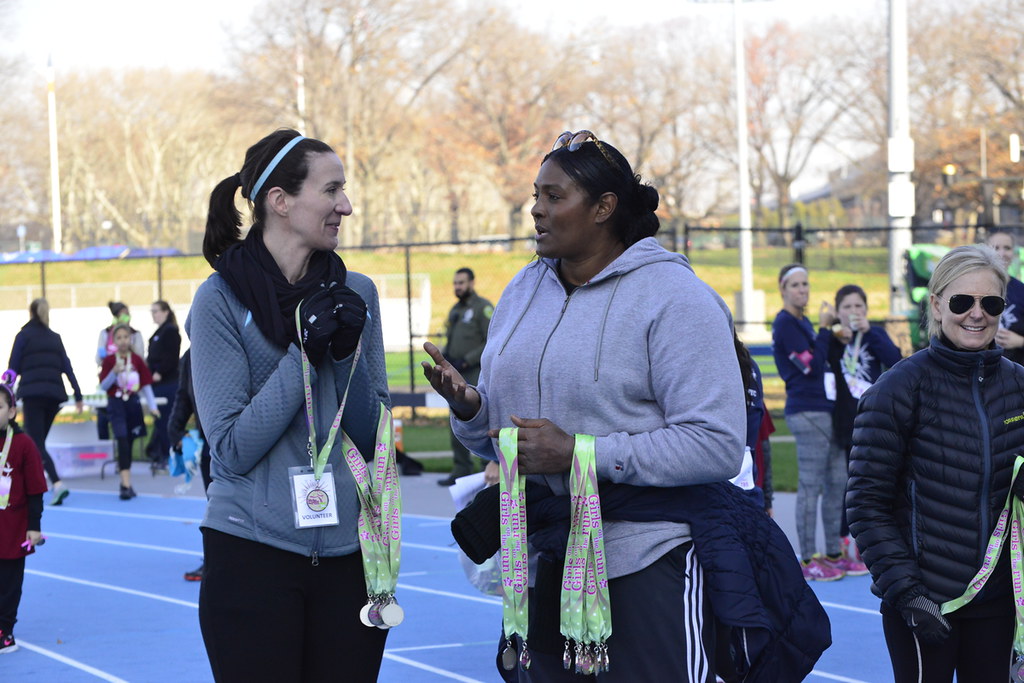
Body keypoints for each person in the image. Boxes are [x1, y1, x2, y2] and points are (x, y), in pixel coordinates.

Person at [423, 130, 747, 681]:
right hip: (545, 555)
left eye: (555, 197)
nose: (536, 211)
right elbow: (504, 435)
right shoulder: (524, 290)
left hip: (647, 555)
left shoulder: (675, 297)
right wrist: (474, 409)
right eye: (535, 196)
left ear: (603, 208)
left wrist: (580, 453)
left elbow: (716, 444)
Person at [187, 128, 391, 682]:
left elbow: (376, 442)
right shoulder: (219, 300)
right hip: (252, 550)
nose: (344, 206)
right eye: (331, 191)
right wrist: (304, 352)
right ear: (280, 201)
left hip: (352, 555)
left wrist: (345, 355)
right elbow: (230, 448)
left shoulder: (359, 293)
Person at [847, 245, 1024, 682]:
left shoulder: (1020, 385)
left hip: (999, 602)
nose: (976, 314)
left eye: (991, 303)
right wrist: (907, 593)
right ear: (937, 304)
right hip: (925, 604)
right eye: (962, 301)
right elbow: (866, 504)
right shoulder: (898, 389)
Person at [771, 264, 846, 581]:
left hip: (824, 409)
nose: (803, 290)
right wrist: (827, 331)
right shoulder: (786, 323)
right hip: (806, 411)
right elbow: (811, 369)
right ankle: (805, 558)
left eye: (806, 284)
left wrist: (832, 335)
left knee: (837, 479)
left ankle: (831, 553)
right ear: (783, 289)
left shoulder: (804, 324)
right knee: (811, 485)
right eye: (796, 285)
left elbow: (823, 360)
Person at [820, 284, 900, 572]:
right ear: (838, 312)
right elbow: (819, 364)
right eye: (848, 308)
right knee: (848, 483)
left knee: (875, 480)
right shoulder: (835, 341)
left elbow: (895, 360)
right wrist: (833, 333)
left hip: (873, 419)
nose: (854, 312)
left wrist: (871, 332)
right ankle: (844, 541)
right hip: (844, 421)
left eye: (859, 307)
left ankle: (871, 540)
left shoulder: (875, 335)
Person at [6, 298, 84, 506]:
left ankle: (57, 483)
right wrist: (77, 394)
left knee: (35, 443)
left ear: (30, 312)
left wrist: (6, 394)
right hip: (55, 395)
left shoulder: (23, 336)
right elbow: (67, 366)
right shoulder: (54, 338)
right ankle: (33, 482)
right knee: (37, 443)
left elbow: (13, 367)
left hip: (33, 394)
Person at [0, 380, 48, 655]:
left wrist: (35, 527)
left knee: (8, 584)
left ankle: (5, 632)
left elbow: (36, 489)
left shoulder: (23, 444)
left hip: (14, 528)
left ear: (11, 411)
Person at [437, 267, 493, 487]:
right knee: (457, 420)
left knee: (479, 420)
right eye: (455, 283)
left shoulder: (483, 308)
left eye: (461, 282)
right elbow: (450, 338)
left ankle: (485, 471)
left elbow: (491, 339)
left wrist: (467, 359)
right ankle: (461, 469)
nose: (457, 287)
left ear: (472, 282)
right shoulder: (455, 310)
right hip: (456, 373)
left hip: (476, 372)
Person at [99, 323, 160, 500]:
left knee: (130, 441)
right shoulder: (110, 361)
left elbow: (146, 386)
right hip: (116, 403)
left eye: (126, 337)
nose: (123, 341)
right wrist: (113, 373)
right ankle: (125, 485)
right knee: (122, 439)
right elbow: (104, 385)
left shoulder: (137, 360)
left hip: (132, 404)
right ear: (114, 341)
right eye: (119, 338)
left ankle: (126, 482)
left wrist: (153, 407)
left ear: (130, 339)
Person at [167, 349, 210, 581]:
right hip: (210, 443)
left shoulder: (232, 343)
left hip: (240, 438)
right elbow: (184, 395)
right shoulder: (190, 355)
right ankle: (214, 560)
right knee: (215, 506)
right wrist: (174, 430)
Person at [95, 302, 144, 441]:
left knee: (130, 425)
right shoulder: (105, 334)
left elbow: (140, 359)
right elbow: (99, 358)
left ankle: (126, 452)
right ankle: (107, 450)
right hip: (111, 384)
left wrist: (129, 352)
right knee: (104, 418)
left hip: (130, 385)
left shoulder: (135, 335)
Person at [144, 300, 181, 471]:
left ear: (166, 312)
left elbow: (171, 357)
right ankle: (160, 453)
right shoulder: (159, 332)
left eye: (156, 311)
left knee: (166, 421)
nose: (154, 314)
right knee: (160, 421)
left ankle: (168, 456)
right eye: (152, 311)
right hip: (156, 383)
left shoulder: (170, 331)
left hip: (167, 383)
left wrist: (159, 371)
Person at [986, 229, 1024, 364]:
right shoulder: (976, 287)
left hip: (1017, 371)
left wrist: (1020, 341)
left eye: (1007, 248)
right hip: (982, 369)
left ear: (1013, 253)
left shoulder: (1021, 290)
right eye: (995, 248)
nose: (1001, 253)